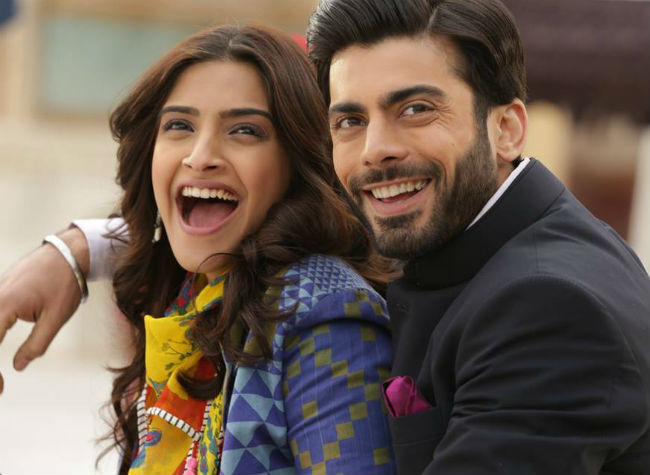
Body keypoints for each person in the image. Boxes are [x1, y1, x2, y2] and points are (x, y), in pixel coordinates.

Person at [1, 0, 650, 473]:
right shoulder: (445, 220)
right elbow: (255, 214)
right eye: (350, 120)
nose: (376, 150)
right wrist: (77, 250)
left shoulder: (551, 307)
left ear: (506, 128)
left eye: (415, 109)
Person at [1, 24, 397, 475]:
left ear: (297, 160)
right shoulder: (194, 289)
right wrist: (71, 250)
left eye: (244, 130)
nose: (201, 155)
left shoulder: (325, 314)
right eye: (179, 126)